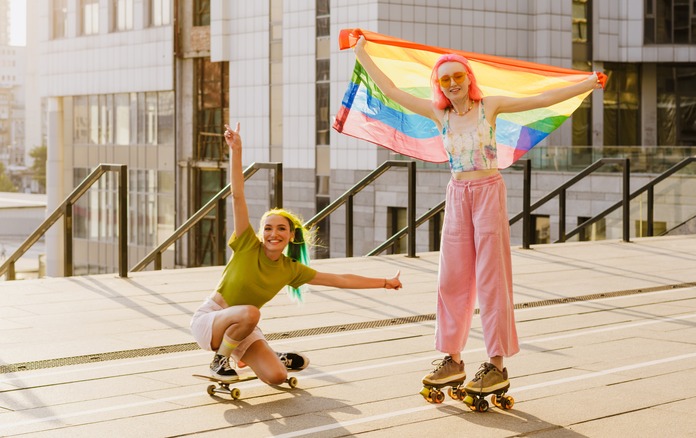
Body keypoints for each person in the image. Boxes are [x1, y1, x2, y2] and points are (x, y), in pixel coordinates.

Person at [354, 36, 601, 395]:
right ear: (439, 85)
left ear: (469, 78)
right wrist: (362, 52)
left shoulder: (490, 106)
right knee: (451, 278)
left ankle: (496, 364)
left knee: (491, 278)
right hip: (457, 194)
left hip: (487, 191)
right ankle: (452, 360)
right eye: (445, 79)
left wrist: (588, 83)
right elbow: (391, 91)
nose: (452, 84)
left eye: (458, 76)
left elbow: (541, 99)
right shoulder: (441, 114)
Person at [190, 122, 403, 384]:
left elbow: (340, 279)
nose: (273, 234)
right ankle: (220, 359)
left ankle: (267, 358)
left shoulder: (290, 268)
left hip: (243, 327)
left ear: (291, 236)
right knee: (251, 313)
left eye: (281, 229)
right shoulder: (247, 245)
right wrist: (237, 150)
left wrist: (385, 283)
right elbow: (237, 196)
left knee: (277, 377)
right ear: (260, 232)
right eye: (268, 228)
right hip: (211, 321)